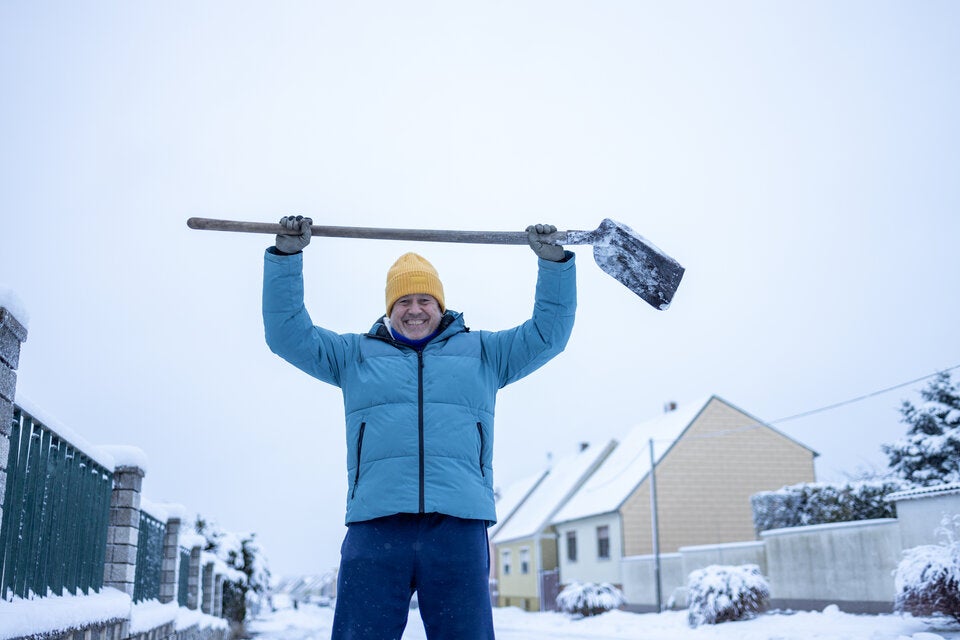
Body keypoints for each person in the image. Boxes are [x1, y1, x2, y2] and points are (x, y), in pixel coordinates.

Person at [262, 216, 576, 640]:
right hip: (376, 524)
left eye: (424, 300)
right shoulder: (354, 356)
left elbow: (548, 335)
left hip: (458, 527)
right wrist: (286, 256)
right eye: (403, 301)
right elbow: (287, 335)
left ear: (440, 305)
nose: (414, 310)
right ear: (389, 310)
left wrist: (555, 266)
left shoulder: (485, 353)